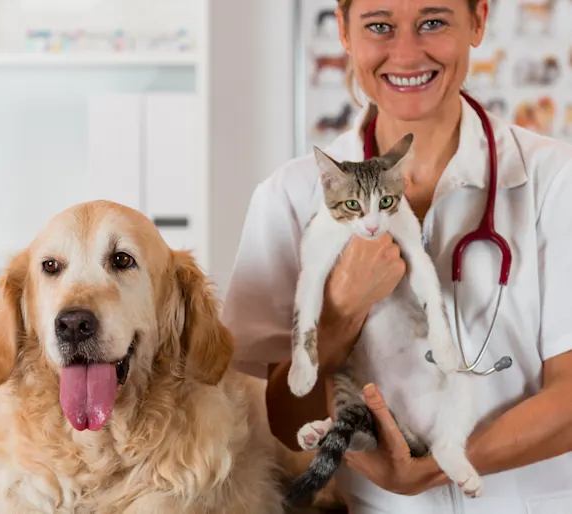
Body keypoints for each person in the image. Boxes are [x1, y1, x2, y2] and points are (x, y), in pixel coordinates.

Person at [220, 1, 572, 513]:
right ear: (343, 30)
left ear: (478, 21)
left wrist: (433, 468)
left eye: (433, 22)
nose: (406, 54)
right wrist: (339, 311)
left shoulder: (555, 182)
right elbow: (285, 420)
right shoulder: (291, 199)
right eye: (379, 26)